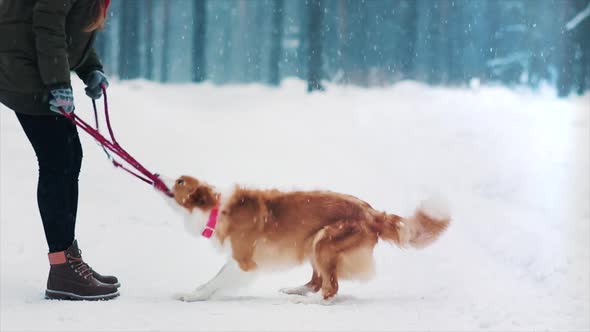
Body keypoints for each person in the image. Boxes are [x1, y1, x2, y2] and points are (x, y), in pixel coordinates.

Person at [0, 0, 119, 300]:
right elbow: (48, 23)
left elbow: (71, 28)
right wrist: (57, 83)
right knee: (59, 160)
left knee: (67, 157)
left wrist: (90, 68)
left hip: (31, 61)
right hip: (22, 66)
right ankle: (63, 268)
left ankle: (67, 260)